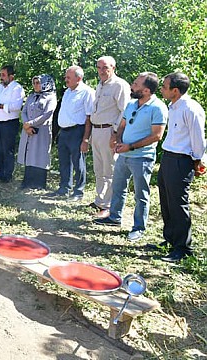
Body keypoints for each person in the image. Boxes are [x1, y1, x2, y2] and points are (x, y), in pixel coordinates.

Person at [93, 72, 167, 242]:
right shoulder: (132, 104)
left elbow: (157, 135)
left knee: (141, 194)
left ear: (146, 90)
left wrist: (130, 146)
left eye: (136, 84)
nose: (132, 86)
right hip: (124, 154)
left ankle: (138, 228)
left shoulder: (158, 108)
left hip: (142, 157)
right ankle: (114, 217)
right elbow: (122, 125)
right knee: (119, 187)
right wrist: (118, 140)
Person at [153, 72, 206, 262]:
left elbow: (198, 138)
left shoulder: (191, 108)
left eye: (165, 87)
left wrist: (199, 160)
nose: (161, 89)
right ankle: (170, 239)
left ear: (175, 90)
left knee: (178, 204)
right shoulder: (173, 105)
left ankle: (183, 248)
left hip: (181, 160)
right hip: (168, 157)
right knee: (166, 201)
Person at [83, 56, 130, 217]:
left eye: (105, 68)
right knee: (99, 168)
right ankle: (100, 200)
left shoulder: (119, 85)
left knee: (109, 168)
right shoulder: (100, 85)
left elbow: (124, 111)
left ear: (113, 68)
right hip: (96, 130)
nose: (102, 71)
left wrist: (116, 134)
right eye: (99, 68)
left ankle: (109, 205)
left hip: (109, 131)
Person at [49, 66, 95, 200]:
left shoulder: (87, 92)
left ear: (78, 78)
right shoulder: (68, 92)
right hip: (64, 132)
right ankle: (64, 188)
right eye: (65, 77)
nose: (65, 79)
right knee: (64, 162)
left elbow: (89, 117)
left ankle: (78, 191)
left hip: (77, 131)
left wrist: (85, 139)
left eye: (68, 77)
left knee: (78, 162)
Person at [17, 74, 57, 190]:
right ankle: (27, 182)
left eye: (38, 83)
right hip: (28, 130)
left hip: (42, 130)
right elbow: (23, 111)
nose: (35, 85)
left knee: (39, 156)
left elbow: (47, 114)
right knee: (29, 155)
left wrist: (31, 123)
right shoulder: (31, 96)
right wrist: (26, 125)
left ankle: (38, 184)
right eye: (34, 83)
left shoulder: (51, 97)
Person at [0, 65, 25, 182]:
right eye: (0, 75)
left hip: (9, 124)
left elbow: (16, 106)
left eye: (3, 75)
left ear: (11, 76)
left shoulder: (17, 88)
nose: (1, 77)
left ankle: (7, 175)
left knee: (7, 150)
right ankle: (0, 172)